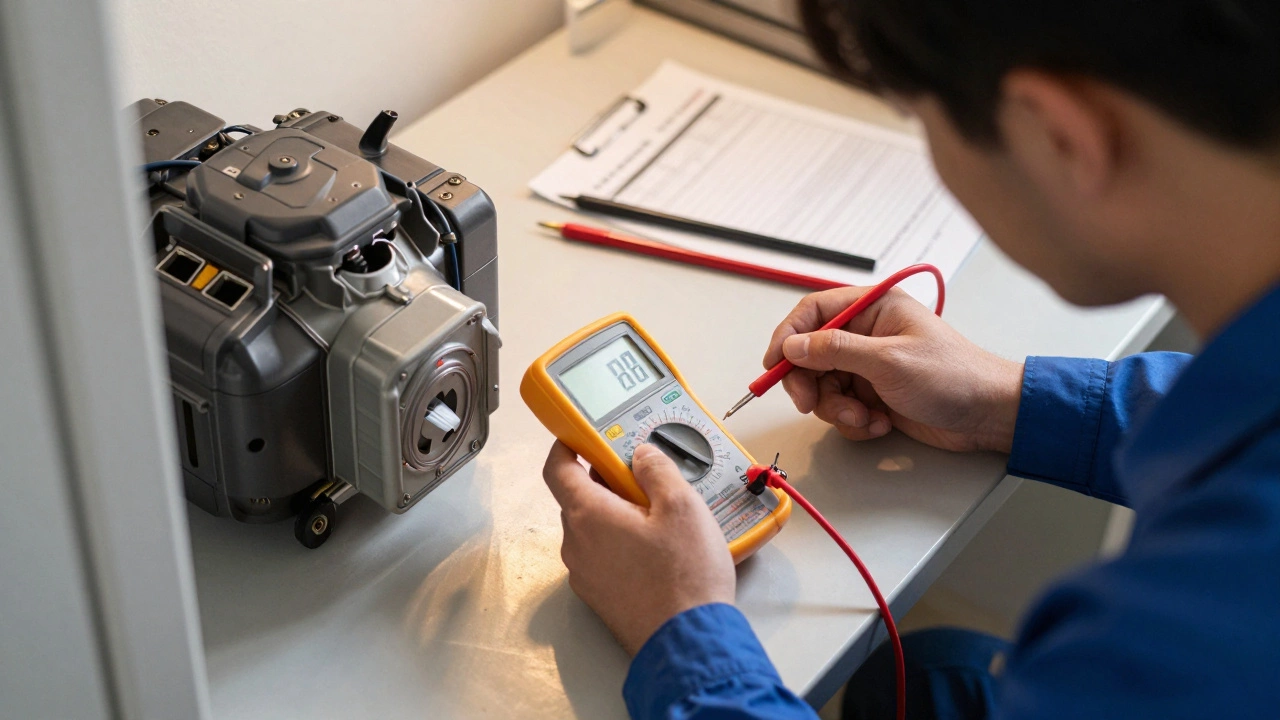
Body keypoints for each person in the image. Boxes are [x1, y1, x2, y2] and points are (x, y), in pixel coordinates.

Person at [540, 0, 1280, 717]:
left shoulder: (1195, 625)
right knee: (933, 676)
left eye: (924, 122)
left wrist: (680, 631)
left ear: (1055, 134)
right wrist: (1004, 401)